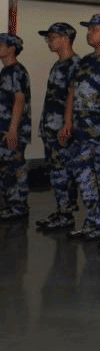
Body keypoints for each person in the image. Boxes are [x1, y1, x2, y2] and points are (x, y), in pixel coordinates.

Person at [63, 15, 100, 240]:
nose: (89, 34)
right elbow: (72, 92)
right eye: (89, 30)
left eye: (94, 29)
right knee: (85, 179)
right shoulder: (84, 61)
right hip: (81, 133)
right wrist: (68, 122)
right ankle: (92, 221)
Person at [34, 23, 79, 232]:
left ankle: (66, 213)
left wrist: (67, 125)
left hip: (62, 129)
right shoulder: (58, 65)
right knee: (55, 171)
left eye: (52, 37)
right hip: (50, 128)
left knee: (63, 172)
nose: (49, 42)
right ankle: (62, 210)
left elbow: (73, 96)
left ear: (65, 38)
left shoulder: (75, 65)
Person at [0, 34, 32, 221]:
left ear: (12, 48)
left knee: (15, 167)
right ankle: (12, 205)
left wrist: (13, 129)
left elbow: (19, 100)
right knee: (6, 168)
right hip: (5, 129)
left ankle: (19, 206)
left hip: (13, 131)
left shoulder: (17, 71)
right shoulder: (6, 72)